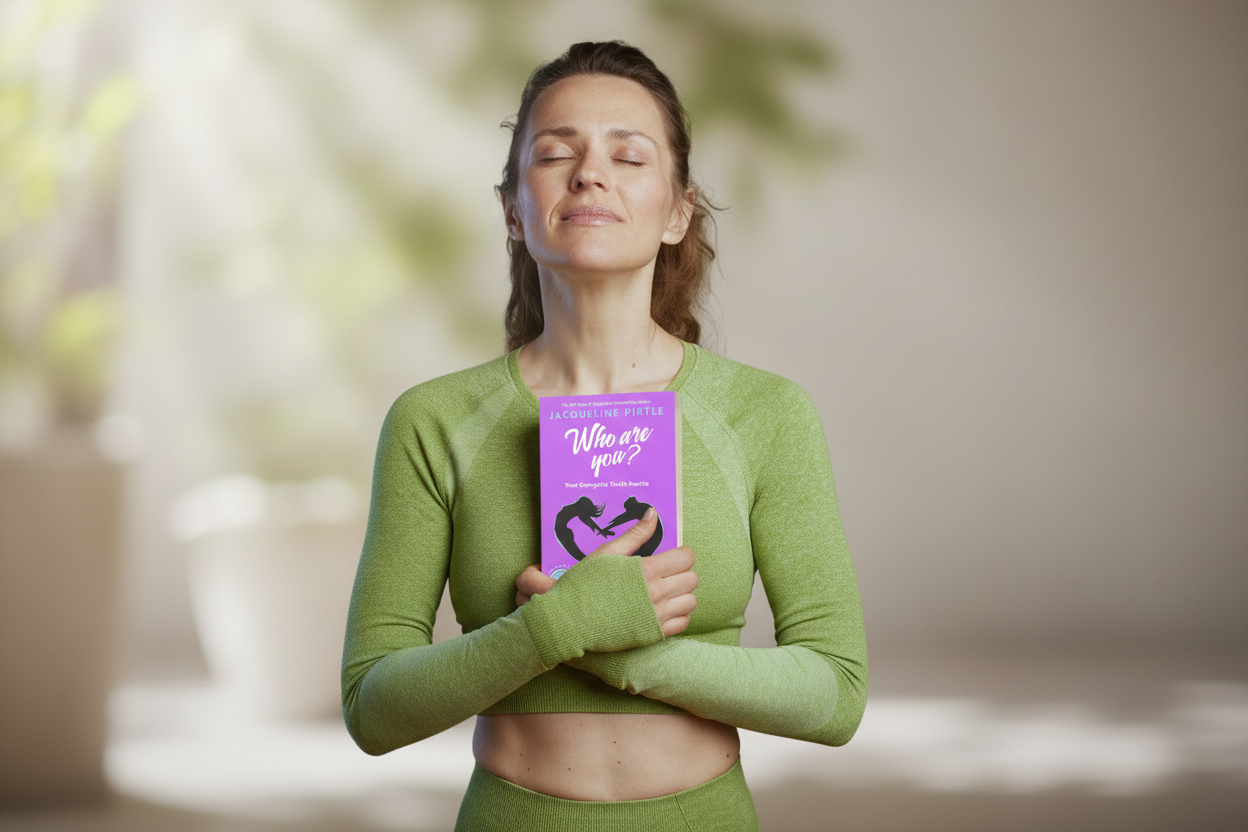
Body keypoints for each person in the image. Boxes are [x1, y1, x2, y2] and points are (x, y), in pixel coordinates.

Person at [341, 41, 867, 831]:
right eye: (556, 154)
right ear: (514, 209)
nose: (591, 173)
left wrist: (627, 650)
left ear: (677, 211)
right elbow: (372, 707)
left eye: (629, 157)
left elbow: (836, 693)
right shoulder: (435, 421)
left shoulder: (766, 415)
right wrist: (548, 630)